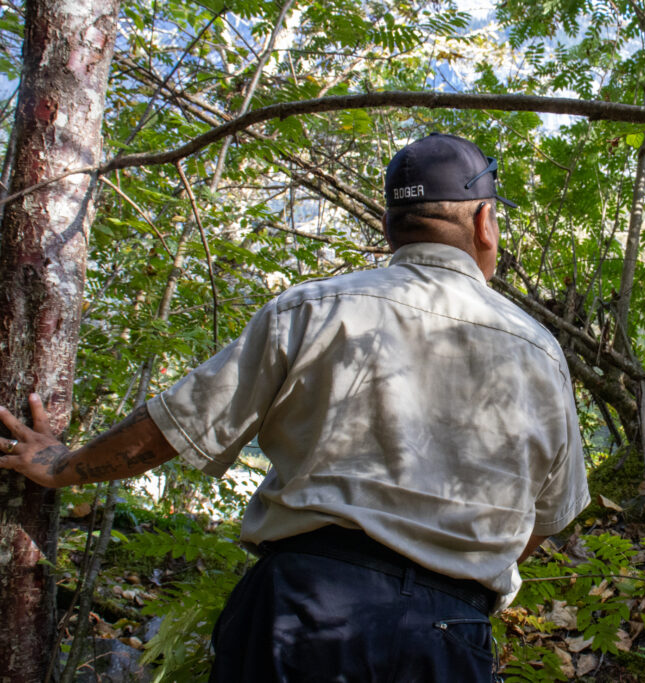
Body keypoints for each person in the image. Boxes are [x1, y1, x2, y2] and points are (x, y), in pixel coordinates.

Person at [0, 132, 590, 682]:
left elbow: (171, 429)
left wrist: (60, 466)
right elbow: (548, 515)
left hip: (302, 606)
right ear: (486, 222)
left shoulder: (312, 309)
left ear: (391, 225)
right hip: (447, 631)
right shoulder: (539, 351)